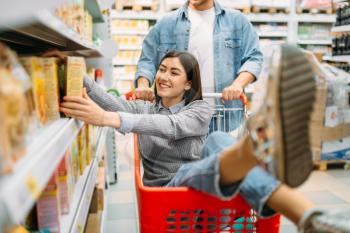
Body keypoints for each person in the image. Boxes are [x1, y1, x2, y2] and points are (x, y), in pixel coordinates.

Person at [60, 47, 350, 232]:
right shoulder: (143, 108)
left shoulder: (201, 108)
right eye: (161, 69)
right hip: (170, 201)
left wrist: (111, 120)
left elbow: (173, 125)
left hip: (209, 202)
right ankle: (303, 209)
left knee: (218, 140)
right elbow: (103, 99)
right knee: (192, 167)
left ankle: (258, 146)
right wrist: (68, 62)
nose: (163, 76)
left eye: (174, 72)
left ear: (188, 83)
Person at [134, 0, 263, 131]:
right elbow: (147, 60)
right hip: (179, 118)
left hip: (225, 118)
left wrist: (238, 85)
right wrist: (143, 85)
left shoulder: (237, 21)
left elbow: (254, 58)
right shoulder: (166, 24)